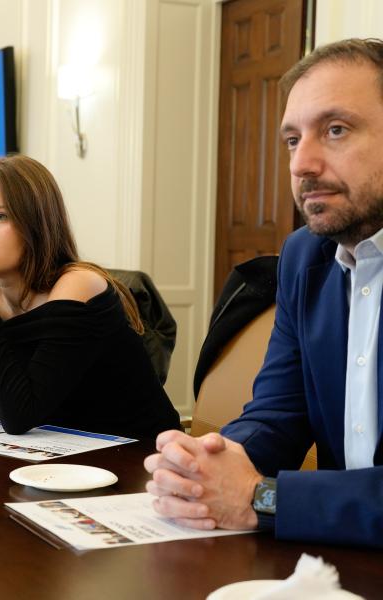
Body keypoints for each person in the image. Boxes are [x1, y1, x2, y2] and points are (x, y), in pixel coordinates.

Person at [144, 38, 383, 549]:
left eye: (335, 130)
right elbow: (279, 414)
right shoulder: (306, 256)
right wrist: (205, 465)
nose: (302, 164)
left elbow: (262, 497)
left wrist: (261, 498)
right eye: (293, 140)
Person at [0, 155, 181, 437]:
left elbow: (19, 415)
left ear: (36, 225)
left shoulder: (78, 286)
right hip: (58, 459)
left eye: (0, 216)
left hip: (137, 459)